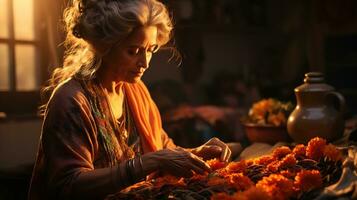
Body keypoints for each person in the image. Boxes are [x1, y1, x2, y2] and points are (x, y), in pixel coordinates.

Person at [28, 0, 241, 199]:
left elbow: (163, 148)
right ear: (104, 46)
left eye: (150, 50)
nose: (145, 63)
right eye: (133, 51)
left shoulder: (135, 91)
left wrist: (196, 153)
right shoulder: (72, 101)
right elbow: (70, 184)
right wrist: (149, 162)